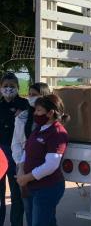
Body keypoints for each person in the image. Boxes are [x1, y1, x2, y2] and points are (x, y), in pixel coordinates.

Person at [16, 94, 69, 226]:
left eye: (39, 110)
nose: (35, 113)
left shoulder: (57, 133)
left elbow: (51, 165)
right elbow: (26, 151)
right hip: (30, 186)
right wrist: (21, 170)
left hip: (47, 188)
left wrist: (27, 177)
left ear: (50, 113)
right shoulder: (39, 128)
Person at [0, 72, 28, 226]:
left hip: (16, 154)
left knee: (17, 194)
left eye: (12, 86)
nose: (8, 89)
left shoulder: (24, 104)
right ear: (0, 88)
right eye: (5, 86)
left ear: (18, 87)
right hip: (0, 153)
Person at [12, 83, 51, 165]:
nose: (31, 97)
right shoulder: (22, 117)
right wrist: (20, 163)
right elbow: (16, 142)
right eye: (29, 94)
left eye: (34, 95)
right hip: (24, 161)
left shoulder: (51, 119)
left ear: (44, 96)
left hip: (43, 162)